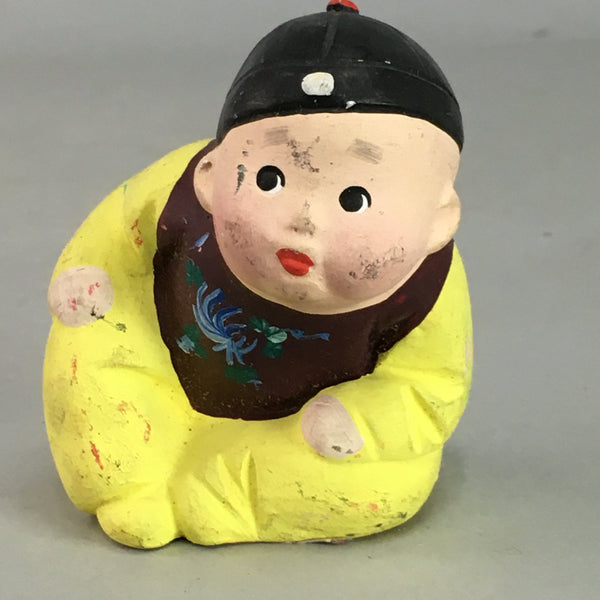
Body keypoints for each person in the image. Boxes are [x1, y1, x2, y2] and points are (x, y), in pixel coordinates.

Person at [45, 1, 472, 548]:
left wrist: (361, 419)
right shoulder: (174, 190)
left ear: (439, 220)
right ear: (211, 172)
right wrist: (88, 278)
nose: (304, 221)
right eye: (271, 178)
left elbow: (433, 386)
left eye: (354, 198)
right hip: (163, 379)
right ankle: (126, 477)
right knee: (90, 341)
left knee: (389, 486)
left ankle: (211, 496)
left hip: (291, 433)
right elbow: (113, 237)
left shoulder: (429, 285)